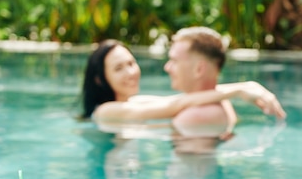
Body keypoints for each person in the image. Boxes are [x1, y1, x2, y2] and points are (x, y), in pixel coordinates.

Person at [81, 30, 285, 137]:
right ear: (100, 79)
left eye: (131, 63)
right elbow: (176, 105)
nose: (131, 72)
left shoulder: (134, 101)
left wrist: (246, 88)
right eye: (118, 68)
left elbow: (181, 100)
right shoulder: (105, 111)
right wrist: (240, 89)